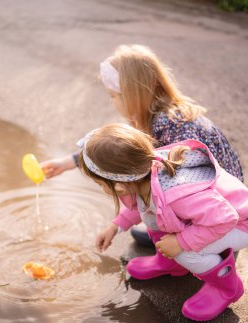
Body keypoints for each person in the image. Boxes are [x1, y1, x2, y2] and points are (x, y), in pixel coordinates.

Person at [41, 44, 244, 247]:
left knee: (148, 189)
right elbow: (116, 152)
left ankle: (188, 236)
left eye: (114, 96)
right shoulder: (155, 115)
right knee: (146, 188)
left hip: (216, 206)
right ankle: (168, 225)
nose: (112, 102)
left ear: (134, 94)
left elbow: (183, 190)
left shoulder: (171, 126)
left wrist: (178, 237)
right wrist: (69, 162)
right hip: (200, 195)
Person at [76, 123, 248, 321]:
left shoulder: (178, 194)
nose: (100, 188)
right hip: (212, 217)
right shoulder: (143, 173)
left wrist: (181, 243)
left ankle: (226, 288)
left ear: (120, 185)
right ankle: (171, 263)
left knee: (186, 252)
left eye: (100, 184)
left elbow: (224, 220)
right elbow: (140, 205)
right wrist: (115, 226)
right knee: (153, 217)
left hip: (239, 223)